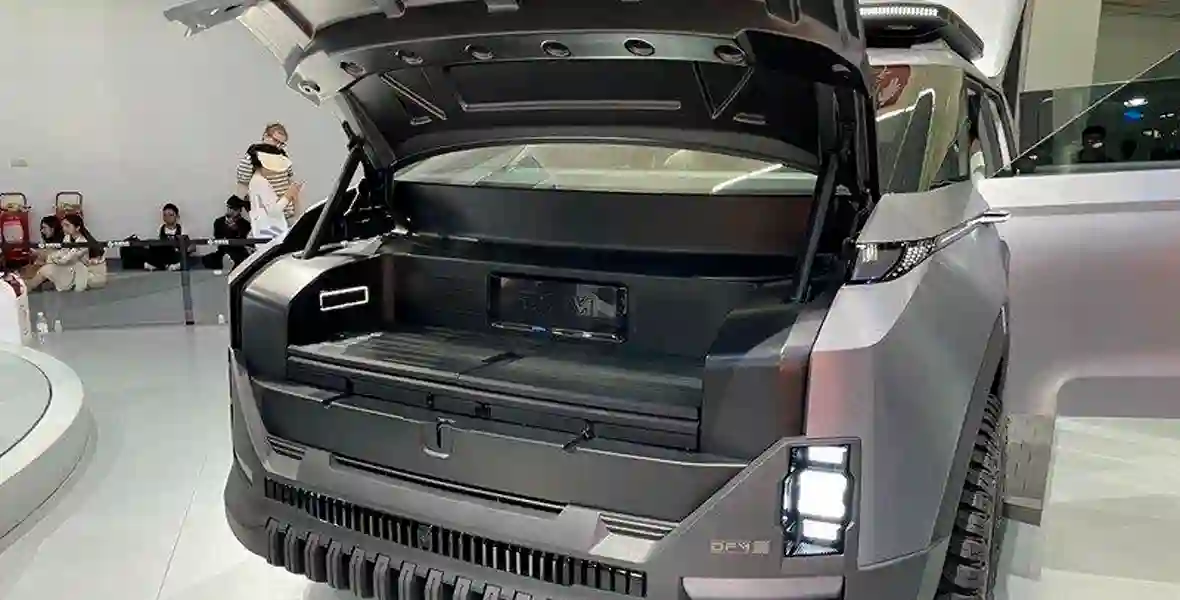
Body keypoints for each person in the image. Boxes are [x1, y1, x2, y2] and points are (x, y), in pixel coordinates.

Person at [236, 122, 302, 224]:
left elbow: (289, 182)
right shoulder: (252, 157)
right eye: (276, 141)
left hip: (287, 215)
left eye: (281, 144)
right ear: (265, 136)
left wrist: (296, 209)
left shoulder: (283, 157)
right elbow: (242, 187)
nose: (278, 146)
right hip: (266, 218)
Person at [24, 214, 107, 292]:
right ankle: (31, 285)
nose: (64, 228)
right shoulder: (67, 237)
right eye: (63, 226)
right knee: (47, 269)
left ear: (77, 228)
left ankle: (29, 286)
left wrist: (51, 259)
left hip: (88, 275)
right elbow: (62, 252)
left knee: (49, 269)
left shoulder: (83, 242)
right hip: (74, 269)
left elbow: (67, 259)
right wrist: (53, 258)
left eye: (67, 225)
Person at [246, 143, 301, 240]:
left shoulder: (258, 180)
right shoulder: (260, 182)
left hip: (267, 232)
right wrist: (288, 195)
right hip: (270, 235)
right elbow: (273, 211)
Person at [202, 196, 253, 269]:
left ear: (240, 210)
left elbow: (245, 240)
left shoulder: (245, 224)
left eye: (236, 209)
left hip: (238, 251)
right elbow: (218, 239)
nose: (233, 211)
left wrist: (236, 230)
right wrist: (228, 230)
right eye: (230, 208)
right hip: (224, 250)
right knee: (208, 260)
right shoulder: (219, 222)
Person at [19, 216, 65, 280]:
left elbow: (53, 258)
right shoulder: (48, 239)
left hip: (53, 271)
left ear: (53, 228)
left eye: (44, 228)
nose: (42, 231)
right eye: (41, 228)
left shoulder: (62, 241)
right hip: (42, 267)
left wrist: (39, 254)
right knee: (23, 270)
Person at [145, 203, 186, 271]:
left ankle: (165, 265)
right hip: (162, 253)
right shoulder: (160, 229)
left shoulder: (183, 229)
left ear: (177, 216)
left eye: (170, 215)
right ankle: (162, 265)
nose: (167, 217)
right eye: (165, 215)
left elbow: (190, 246)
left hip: (175, 254)